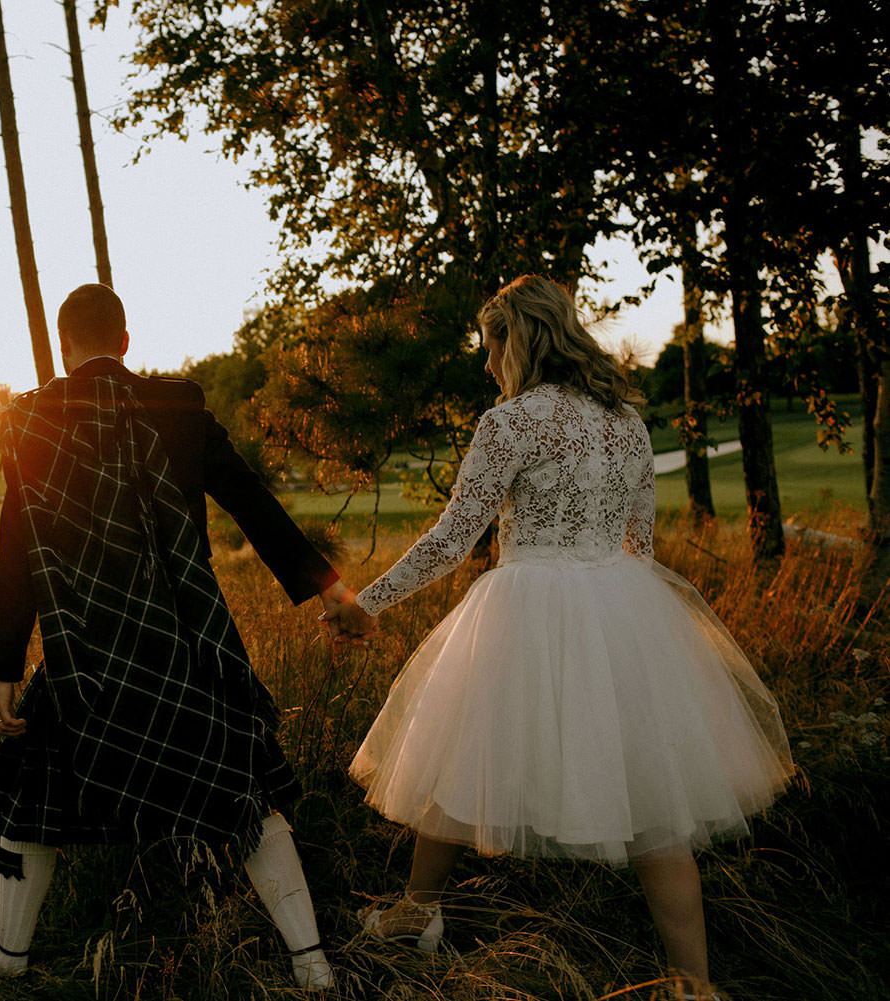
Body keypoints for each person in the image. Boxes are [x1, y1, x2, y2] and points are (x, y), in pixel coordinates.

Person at [321, 275, 794, 1000]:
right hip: (626, 606)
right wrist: (610, 599)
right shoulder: (627, 422)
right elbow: (641, 539)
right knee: (654, 788)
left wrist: (369, 603)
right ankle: (693, 984)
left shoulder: (508, 423)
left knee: (464, 750)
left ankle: (416, 912)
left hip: (528, 603)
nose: (486, 366)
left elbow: (453, 539)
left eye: (490, 347)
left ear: (519, 340)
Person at [0, 283, 355, 989]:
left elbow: (18, 549)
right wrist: (328, 586)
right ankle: (312, 965)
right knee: (244, 791)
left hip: (82, 654)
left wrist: (3, 664)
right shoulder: (178, 407)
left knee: (37, 798)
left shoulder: (30, 420)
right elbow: (250, 500)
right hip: (186, 652)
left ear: (64, 348)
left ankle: (6, 960)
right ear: (124, 341)